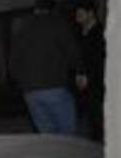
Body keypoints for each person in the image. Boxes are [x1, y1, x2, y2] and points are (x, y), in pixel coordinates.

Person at [10, 0, 84, 135]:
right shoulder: (57, 23)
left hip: (30, 91)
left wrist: (22, 83)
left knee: (48, 137)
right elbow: (72, 51)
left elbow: (13, 61)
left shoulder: (23, 27)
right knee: (68, 136)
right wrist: (80, 71)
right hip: (55, 86)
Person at [74, 0, 106, 142]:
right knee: (90, 123)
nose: (77, 16)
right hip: (84, 88)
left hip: (98, 86)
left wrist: (88, 77)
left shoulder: (100, 34)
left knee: (98, 122)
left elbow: (100, 61)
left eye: (80, 13)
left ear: (90, 14)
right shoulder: (79, 34)